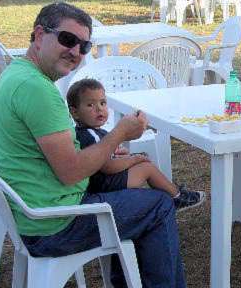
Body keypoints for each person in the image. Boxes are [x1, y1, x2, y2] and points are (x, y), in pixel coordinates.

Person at [0, 2, 205, 288]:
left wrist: (104, 149)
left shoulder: (17, 75)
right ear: (40, 35)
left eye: (84, 45)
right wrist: (119, 135)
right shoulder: (37, 90)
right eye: (67, 39)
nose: (75, 51)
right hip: (54, 224)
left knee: (130, 202)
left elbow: (65, 156)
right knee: (159, 206)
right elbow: (71, 171)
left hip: (36, 213)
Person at [66, 78, 205, 211]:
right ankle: (177, 197)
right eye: (90, 105)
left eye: (102, 103)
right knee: (146, 168)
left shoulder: (91, 132)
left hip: (102, 182)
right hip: (105, 185)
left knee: (142, 164)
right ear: (75, 112)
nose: (99, 109)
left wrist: (120, 155)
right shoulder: (90, 135)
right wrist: (134, 159)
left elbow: (105, 158)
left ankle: (172, 192)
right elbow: (108, 167)